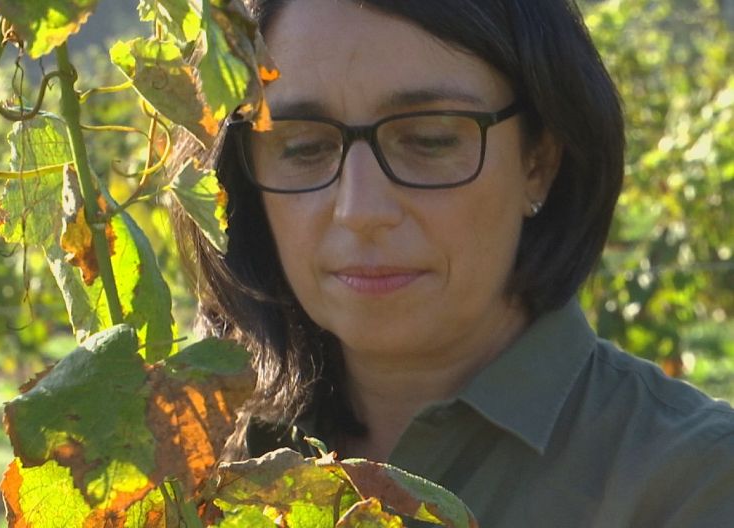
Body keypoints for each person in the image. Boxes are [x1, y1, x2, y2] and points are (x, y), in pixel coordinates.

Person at [174, 0, 734, 525]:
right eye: (301, 147)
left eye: (429, 139)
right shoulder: (184, 462)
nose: (360, 210)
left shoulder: (692, 482)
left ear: (538, 160)